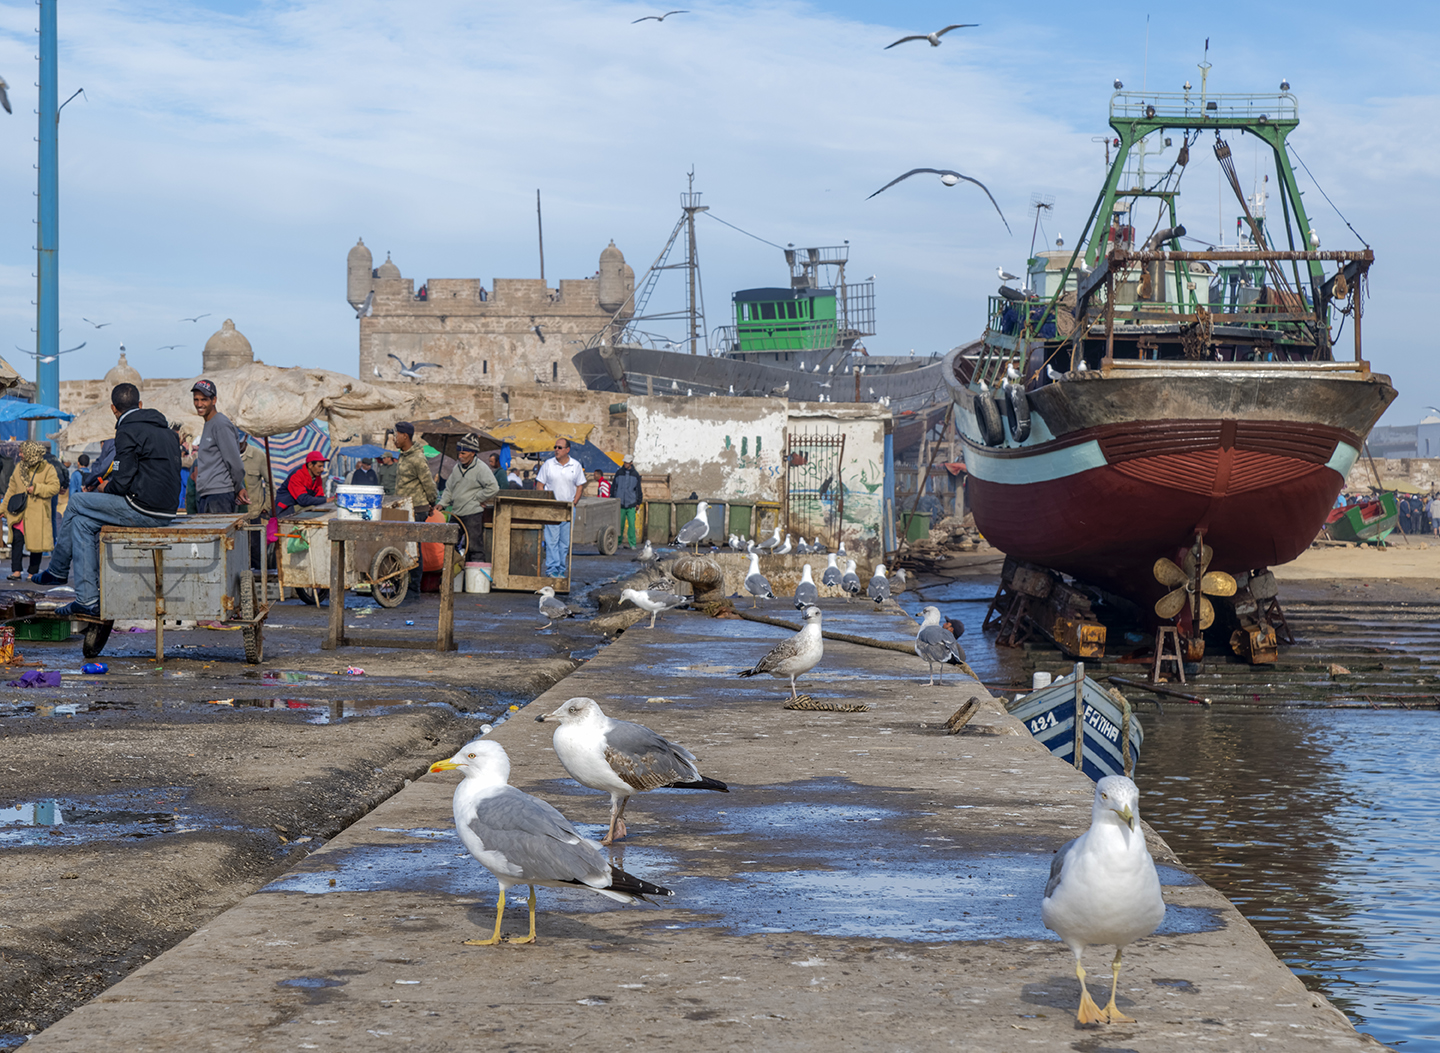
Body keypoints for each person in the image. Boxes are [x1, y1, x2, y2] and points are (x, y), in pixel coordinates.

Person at [34, 383, 182, 618]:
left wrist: (104, 487)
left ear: (113, 408)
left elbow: (122, 482)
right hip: (167, 510)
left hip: (143, 509)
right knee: (82, 523)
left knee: (76, 502)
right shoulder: (165, 431)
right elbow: (136, 469)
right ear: (140, 405)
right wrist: (104, 481)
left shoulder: (126, 431)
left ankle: (57, 570)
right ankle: (87, 598)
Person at [5, 441, 61, 579]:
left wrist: (37, 488)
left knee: (37, 543)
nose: (19, 454)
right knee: (17, 539)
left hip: (38, 514)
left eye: (22, 452)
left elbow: (55, 487)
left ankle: (32, 572)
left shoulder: (47, 469)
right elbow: (11, 489)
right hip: (20, 512)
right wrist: (2, 508)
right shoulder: (19, 467)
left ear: (31, 453)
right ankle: (16, 571)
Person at [438, 434, 499, 562]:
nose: (460, 456)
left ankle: (474, 580)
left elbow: (493, 487)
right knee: (449, 545)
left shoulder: (481, 468)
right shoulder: (457, 468)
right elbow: (449, 488)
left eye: (463, 453)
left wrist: (477, 497)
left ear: (472, 453)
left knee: (474, 548)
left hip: (473, 514)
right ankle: (452, 576)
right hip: (456, 513)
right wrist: (442, 503)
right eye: (459, 453)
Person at [190, 380, 248, 515]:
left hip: (219, 495)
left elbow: (235, 463)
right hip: (209, 494)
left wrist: (239, 487)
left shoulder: (220, 424)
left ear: (214, 400)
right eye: (196, 400)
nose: (199, 404)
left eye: (204, 400)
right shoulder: (209, 423)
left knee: (219, 536)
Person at [535, 437, 586, 578]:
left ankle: (561, 569)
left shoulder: (575, 466)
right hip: (552, 507)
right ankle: (552, 569)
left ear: (567, 450)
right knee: (551, 540)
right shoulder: (548, 465)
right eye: (555, 447)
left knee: (564, 542)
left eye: (559, 447)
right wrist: (545, 502)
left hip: (568, 507)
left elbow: (580, 486)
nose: (556, 450)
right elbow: (540, 484)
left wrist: (574, 503)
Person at [238, 432, 271, 569]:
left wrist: (266, 506)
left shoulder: (258, 455)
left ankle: (258, 584)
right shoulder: (226, 454)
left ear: (246, 438)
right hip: (234, 515)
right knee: (237, 552)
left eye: (238, 441)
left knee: (255, 551)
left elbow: (270, 483)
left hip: (253, 513)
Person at [393, 422, 438, 520]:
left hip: (416, 509)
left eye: (396, 435)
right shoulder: (403, 456)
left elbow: (428, 484)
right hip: (403, 506)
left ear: (405, 436)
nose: (393, 439)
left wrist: (431, 503)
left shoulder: (418, 458)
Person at [275, 451, 328, 515]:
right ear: (310, 465)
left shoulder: (317, 476)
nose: (322, 469)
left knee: (321, 508)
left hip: (298, 505)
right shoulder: (297, 475)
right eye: (319, 466)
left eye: (323, 466)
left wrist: (327, 500)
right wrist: (327, 500)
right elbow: (303, 500)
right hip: (285, 509)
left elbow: (319, 496)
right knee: (313, 508)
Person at [612, 455, 642, 549]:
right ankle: (618, 542)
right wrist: (612, 498)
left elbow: (638, 489)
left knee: (632, 526)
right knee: (619, 525)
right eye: (625, 462)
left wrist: (638, 502)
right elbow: (614, 487)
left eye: (627, 462)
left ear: (631, 463)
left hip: (631, 504)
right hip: (620, 503)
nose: (625, 464)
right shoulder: (619, 473)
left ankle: (632, 544)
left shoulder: (635, 474)